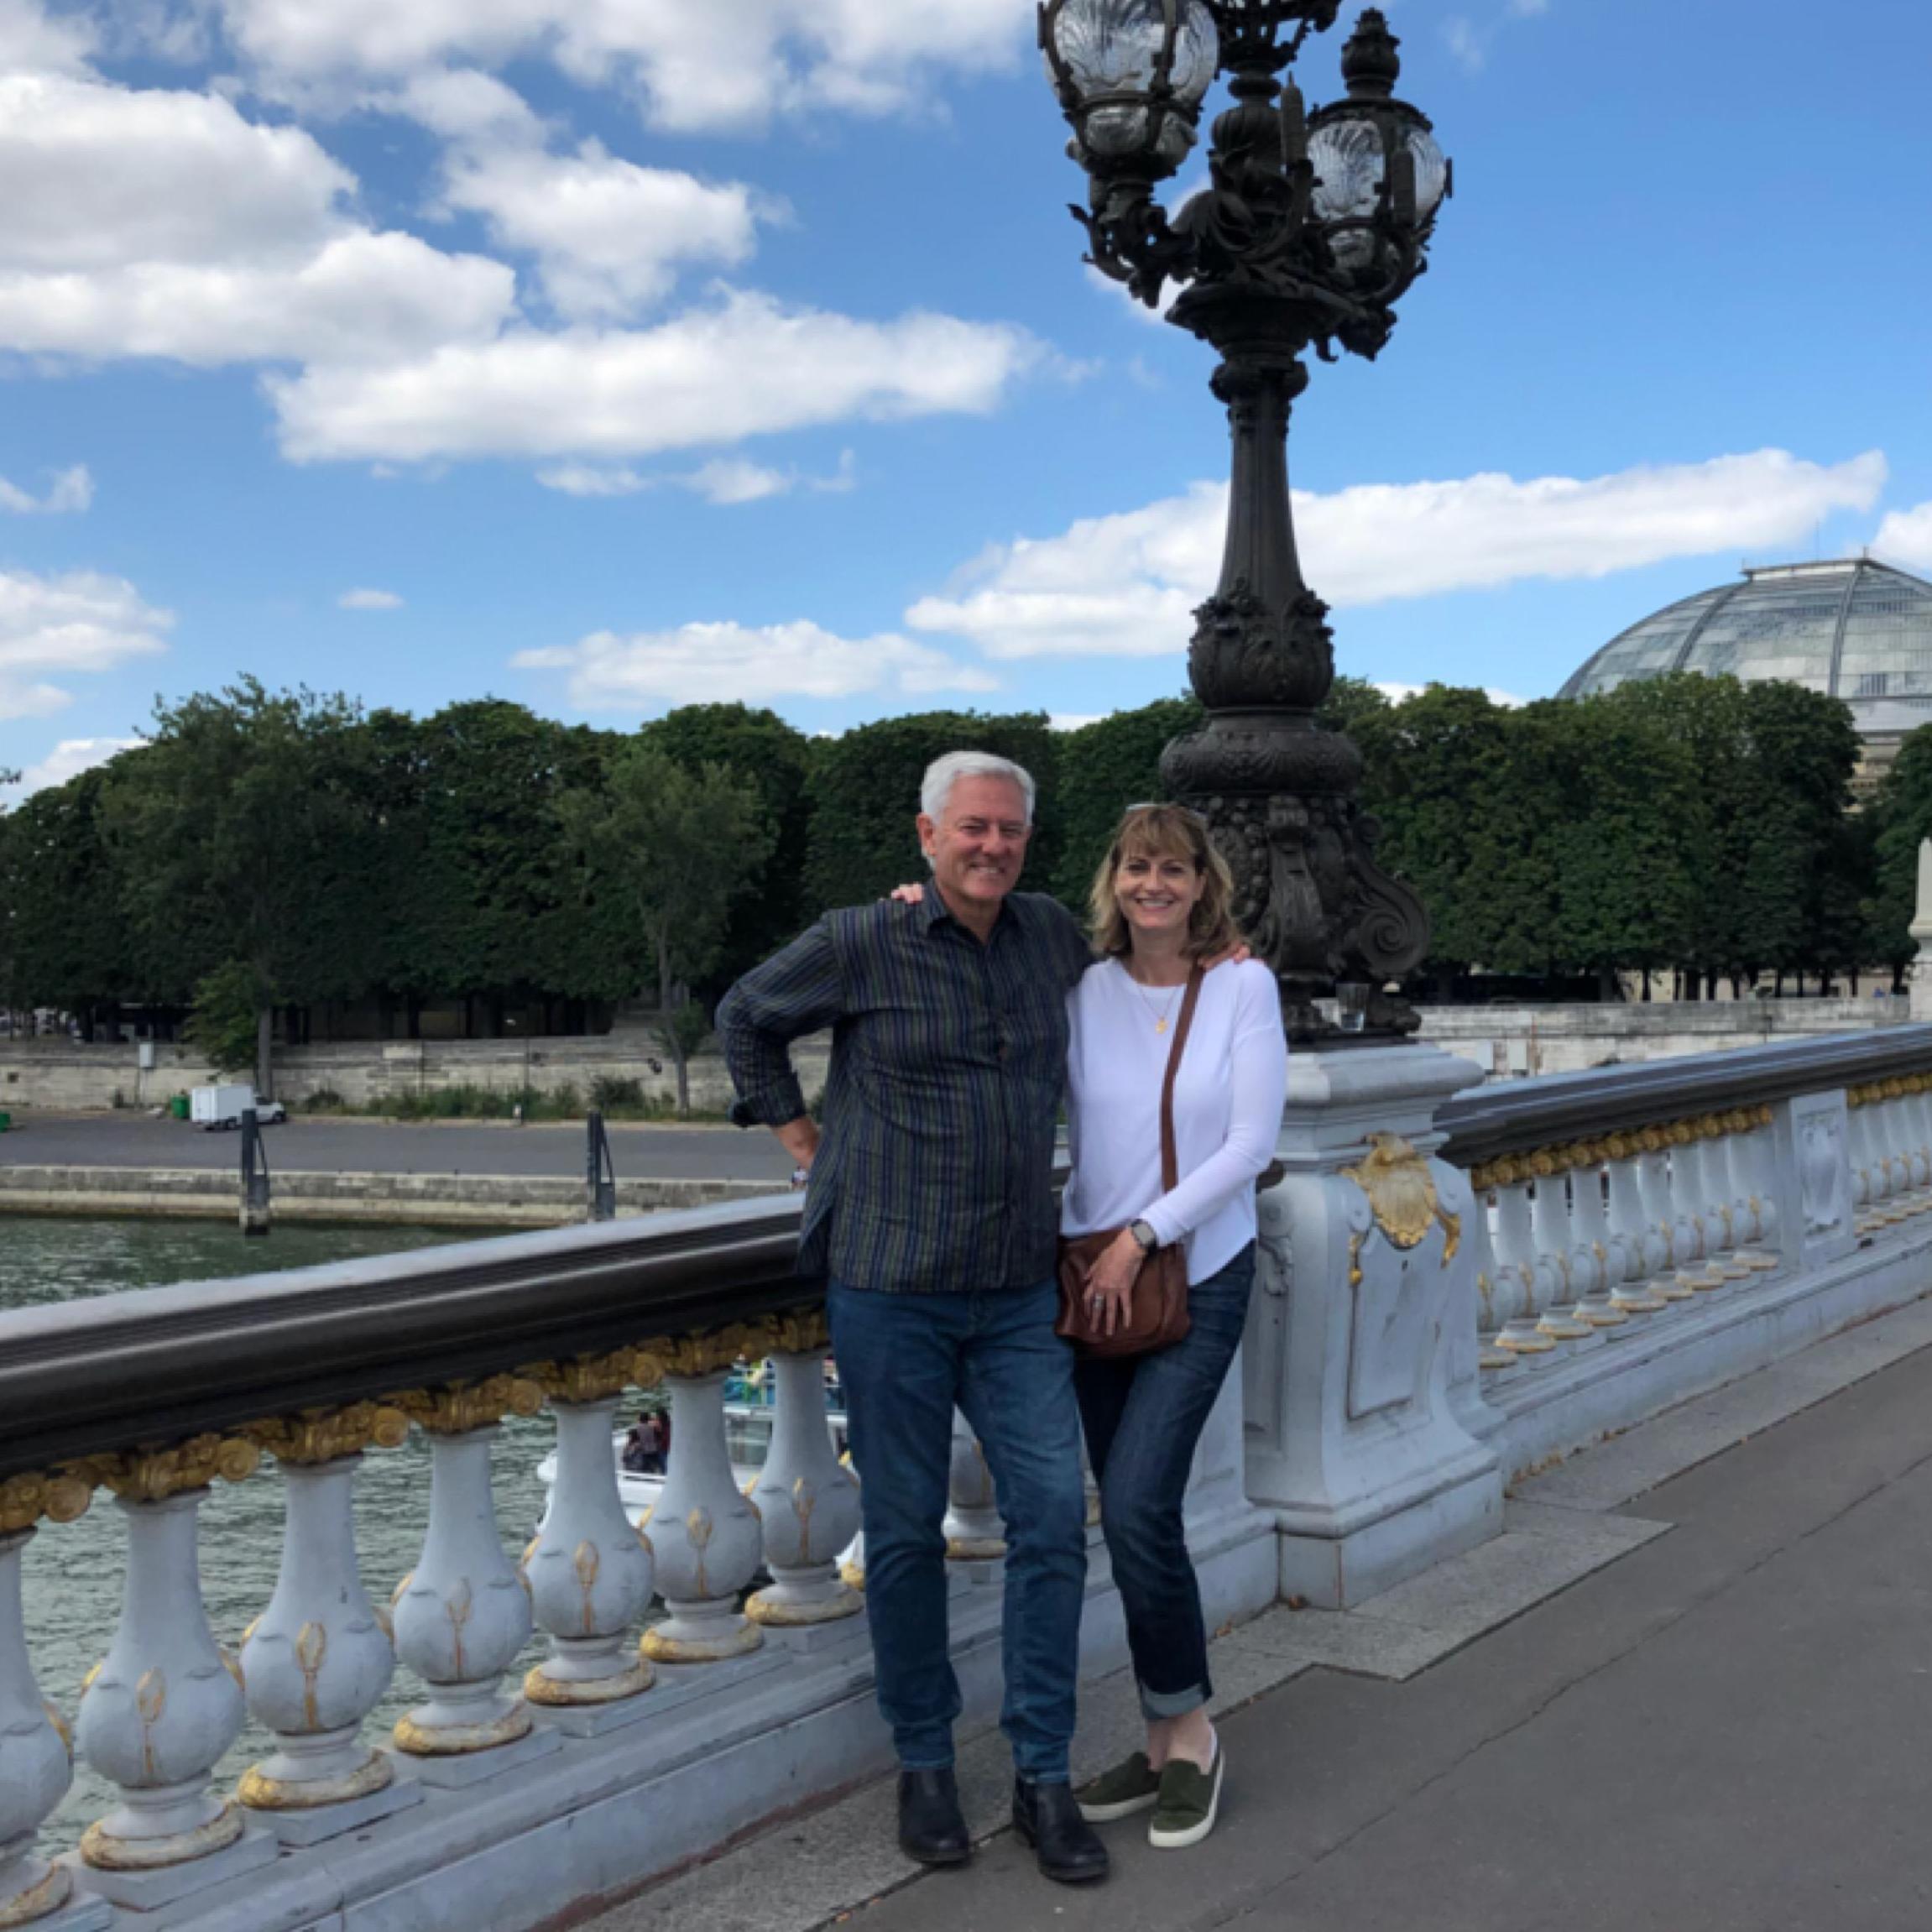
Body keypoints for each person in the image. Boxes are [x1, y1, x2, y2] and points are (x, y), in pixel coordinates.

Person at [717, 751, 1110, 1886]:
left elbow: (1147, 966)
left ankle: (1043, 1770)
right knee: (900, 1534)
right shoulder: (860, 938)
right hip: (890, 1281)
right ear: (928, 836)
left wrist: (1223, 957)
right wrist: (805, 1142)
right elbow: (743, 1016)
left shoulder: (1049, 935)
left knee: (1051, 1516)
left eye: (1010, 829)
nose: (993, 845)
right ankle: (925, 1763)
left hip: (1018, 1284)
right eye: (972, 827)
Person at [1061, 805, 1287, 1851]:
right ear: (1114, 879)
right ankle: (1159, 1742)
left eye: (1174, 869)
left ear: (1203, 885)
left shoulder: (1243, 985)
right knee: (1130, 1514)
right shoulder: (1080, 989)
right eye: (1137, 866)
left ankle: (1191, 1733)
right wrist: (905, 903)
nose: (1154, 884)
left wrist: (1143, 1234)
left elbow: (1249, 1144)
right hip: (1093, 1281)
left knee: (1139, 1500)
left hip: (1197, 1269)